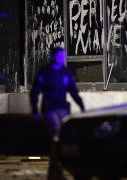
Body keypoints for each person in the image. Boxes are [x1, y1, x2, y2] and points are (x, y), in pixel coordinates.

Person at [30, 47, 85, 180]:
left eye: (63, 57)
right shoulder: (45, 72)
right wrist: (35, 110)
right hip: (50, 109)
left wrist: (81, 106)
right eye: (60, 56)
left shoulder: (65, 72)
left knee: (64, 137)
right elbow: (35, 91)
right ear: (53, 57)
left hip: (63, 109)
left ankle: (60, 168)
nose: (62, 59)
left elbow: (73, 91)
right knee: (56, 135)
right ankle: (56, 168)